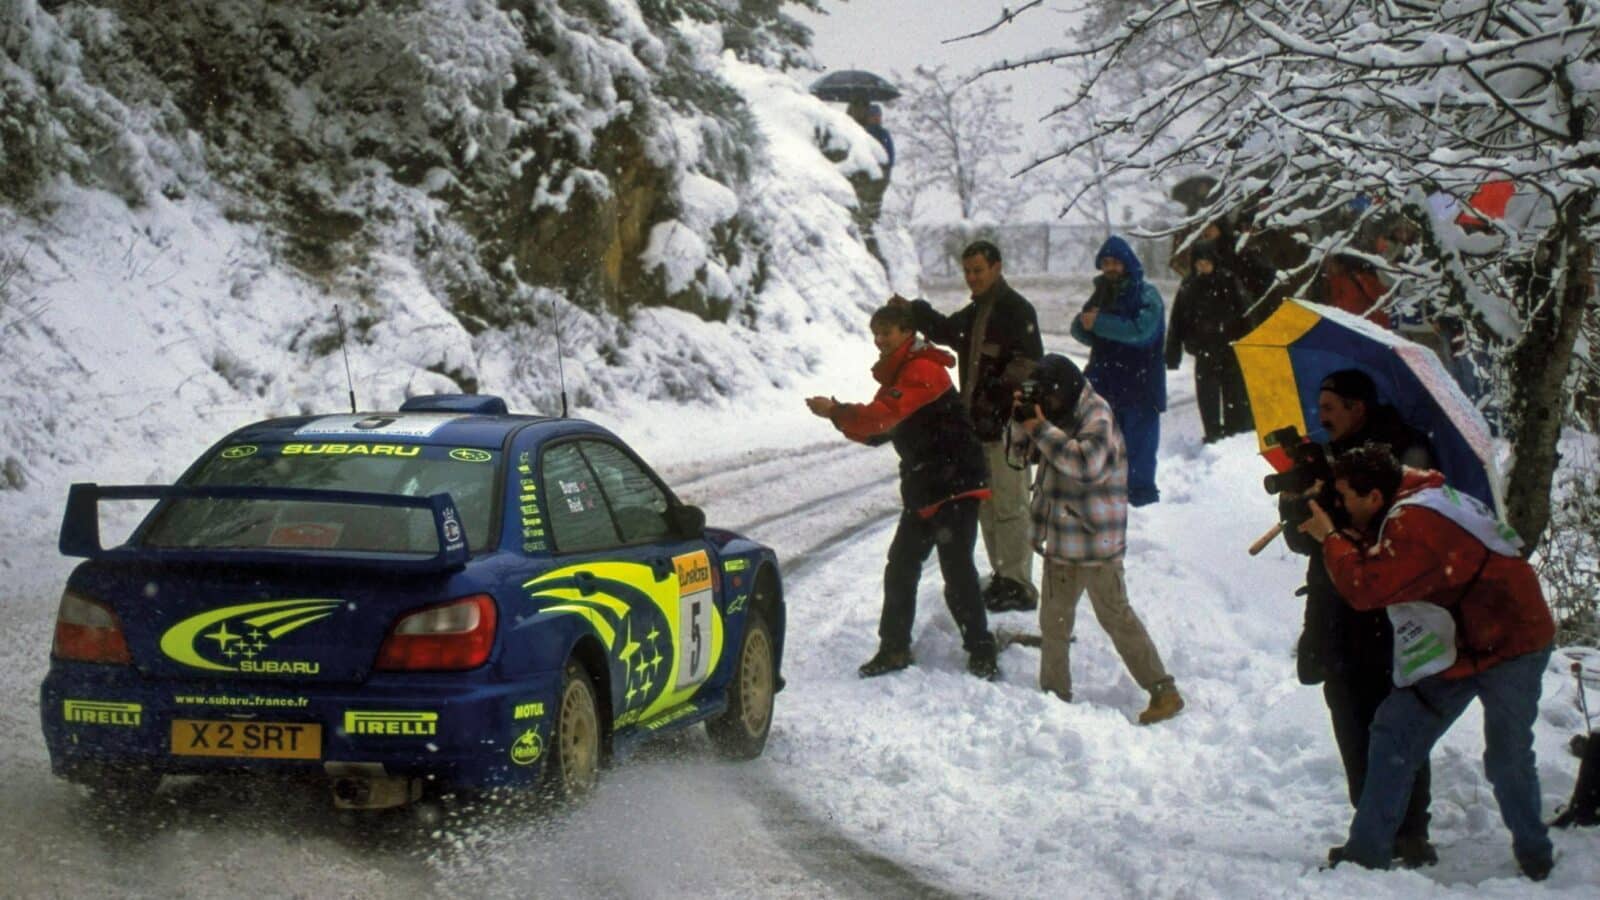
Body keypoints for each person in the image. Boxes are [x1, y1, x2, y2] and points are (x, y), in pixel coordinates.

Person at [1300, 444, 1557, 879]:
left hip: (1513, 643)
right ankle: (1365, 854)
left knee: (1506, 754)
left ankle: (1536, 858)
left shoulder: (1415, 520)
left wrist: (1332, 538)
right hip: (1463, 644)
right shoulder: (1417, 499)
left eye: (1345, 498)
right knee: (1394, 731)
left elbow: (1366, 588)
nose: (1339, 507)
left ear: (1376, 497)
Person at [1279, 368, 1437, 867]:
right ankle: (1377, 826)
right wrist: (1296, 498)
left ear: (1357, 409)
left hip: (1386, 609)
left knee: (1392, 719)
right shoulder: (1327, 458)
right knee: (1350, 716)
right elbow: (1304, 539)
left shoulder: (1397, 460)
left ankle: (1407, 830)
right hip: (1334, 607)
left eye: (1329, 410)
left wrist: (1327, 503)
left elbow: (1384, 532)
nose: (1321, 420)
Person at [806, 304, 1000, 680]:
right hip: (928, 485)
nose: (879, 340)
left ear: (907, 333)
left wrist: (837, 411)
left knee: (956, 572)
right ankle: (894, 648)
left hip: (954, 484)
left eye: (887, 332)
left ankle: (982, 651)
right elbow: (880, 431)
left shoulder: (922, 370)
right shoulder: (905, 371)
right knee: (901, 568)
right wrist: (839, 416)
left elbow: (881, 417)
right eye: (876, 333)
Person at [1008, 354, 1184, 724]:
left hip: (1095, 544)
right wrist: (1022, 422)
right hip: (1061, 537)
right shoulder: (1057, 412)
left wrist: (1039, 428)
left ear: (1065, 391)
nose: (1048, 407)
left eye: (1050, 400)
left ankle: (1163, 691)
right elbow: (1019, 459)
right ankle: (1054, 697)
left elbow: (1084, 465)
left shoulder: (1096, 416)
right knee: (1053, 622)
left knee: (1116, 617)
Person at [895, 241, 1043, 613]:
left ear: (997, 267)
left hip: (1008, 429)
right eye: (968, 271)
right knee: (989, 508)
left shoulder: (1015, 310)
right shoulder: (978, 311)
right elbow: (947, 331)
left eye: (979, 270)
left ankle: (1018, 583)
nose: (972, 277)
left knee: (1011, 507)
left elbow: (1030, 364)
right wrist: (914, 311)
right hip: (979, 428)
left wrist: (997, 393)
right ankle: (1003, 577)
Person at [1070, 236, 1166, 507]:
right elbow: (1086, 332)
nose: (1110, 268)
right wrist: (1085, 323)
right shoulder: (1101, 292)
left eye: (1115, 262)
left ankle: (1141, 505)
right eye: (1106, 263)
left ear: (1128, 264)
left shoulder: (1146, 295)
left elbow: (1141, 332)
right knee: (1102, 447)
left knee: (1139, 453)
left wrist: (1100, 322)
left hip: (1140, 386)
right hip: (1105, 383)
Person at [1164, 242, 1254, 443]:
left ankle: (1235, 432)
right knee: (1207, 396)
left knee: (1234, 394)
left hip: (1230, 348)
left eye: (1206, 263)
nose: (1203, 267)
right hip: (1203, 350)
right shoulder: (1189, 285)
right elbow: (1177, 321)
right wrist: (1172, 354)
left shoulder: (1229, 281)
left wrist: (1249, 345)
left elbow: (1245, 314)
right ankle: (1213, 433)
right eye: (1199, 263)